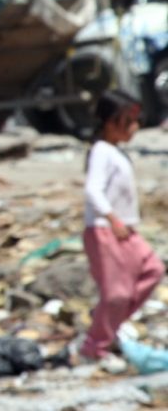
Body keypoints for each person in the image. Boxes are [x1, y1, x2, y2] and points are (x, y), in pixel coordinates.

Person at [78, 90, 164, 363]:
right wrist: (112, 218)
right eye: (128, 121)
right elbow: (93, 190)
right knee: (116, 295)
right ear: (111, 122)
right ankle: (95, 347)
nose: (135, 128)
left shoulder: (116, 152)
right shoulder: (101, 151)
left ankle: (105, 324)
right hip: (106, 229)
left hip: (125, 230)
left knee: (153, 269)